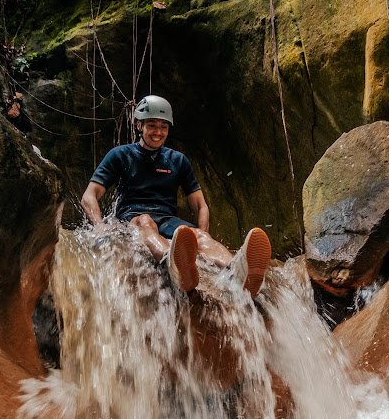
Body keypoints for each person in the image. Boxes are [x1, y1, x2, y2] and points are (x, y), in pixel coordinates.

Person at [80, 95, 271, 297]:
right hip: (132, 217)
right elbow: (89, 196)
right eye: (152, 125)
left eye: (163, 127)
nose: (158, 132)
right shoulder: (119, 155)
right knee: (145, 221)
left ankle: (237, 273)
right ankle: (171, 263)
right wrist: (100, 226)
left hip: (168, 220)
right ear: (138, 125)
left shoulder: (178, 160)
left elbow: (200, 205)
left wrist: (202, 232)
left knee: (197, 235)